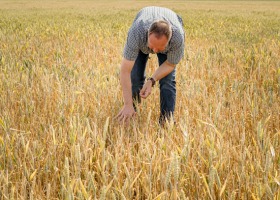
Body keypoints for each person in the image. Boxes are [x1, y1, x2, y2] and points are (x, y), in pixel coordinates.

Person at [116, 6, 185, 125]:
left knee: (167, 81)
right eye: (152, 46)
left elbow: (170, 64)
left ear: (169, 40)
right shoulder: (136, 33)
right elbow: (125, 71)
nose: (154, 51)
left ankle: (166, 122)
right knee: (135, 79)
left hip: (168, 34)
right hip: (142, 36)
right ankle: (131, 112)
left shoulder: (178, 37)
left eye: (159, 48)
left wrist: (151, 81)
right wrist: (127, 104)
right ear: (148, 33)